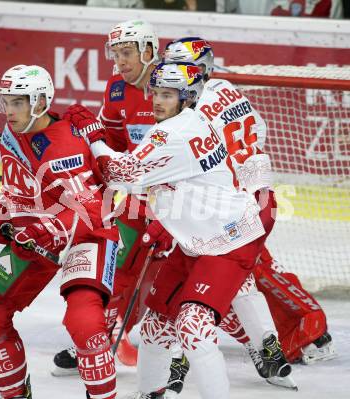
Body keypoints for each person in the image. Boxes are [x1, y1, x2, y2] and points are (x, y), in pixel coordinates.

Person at [64, 61, 291, 398]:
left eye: (167, 95)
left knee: (193, 327)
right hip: (197, 239)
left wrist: (94, 134)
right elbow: (165, 183)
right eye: (155, 92)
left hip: (229, 240)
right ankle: (150, 393)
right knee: (156, 327)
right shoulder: (186, 122)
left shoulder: (174, 132)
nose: (156, 100)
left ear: (187, 98)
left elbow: (121, 173)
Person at [163, 36, 337, 365]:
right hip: (253, 190)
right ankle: (297, 328)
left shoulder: (193, 108)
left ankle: (309, 325)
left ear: (197, 70)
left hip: (229, 198)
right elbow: (261, 128)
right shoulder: (227, 88)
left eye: (178, 69)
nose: (171, 76)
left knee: (253, 267)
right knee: (252, 266)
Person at [0, 64, 119, 399]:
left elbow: (93, 210)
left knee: (85, 322)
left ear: (39, 102)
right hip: (38, 236)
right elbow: (18, 188)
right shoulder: (13, 135)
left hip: (88, 236)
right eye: (6, 101)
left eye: (18, 102)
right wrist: (4, 215)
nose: (9, 110)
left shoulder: (65, 144)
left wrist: (45, 227)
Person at [53, 18, 162, 375]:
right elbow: (111, 143)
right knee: (117, 262)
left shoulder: (176, 85)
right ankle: (96, 339)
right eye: (115, 54)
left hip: (183, 201)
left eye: (127, 52)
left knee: (225, 275)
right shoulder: (117, 88)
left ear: (149, 50)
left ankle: (277, 341)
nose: (120, 62)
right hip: (136, 198)